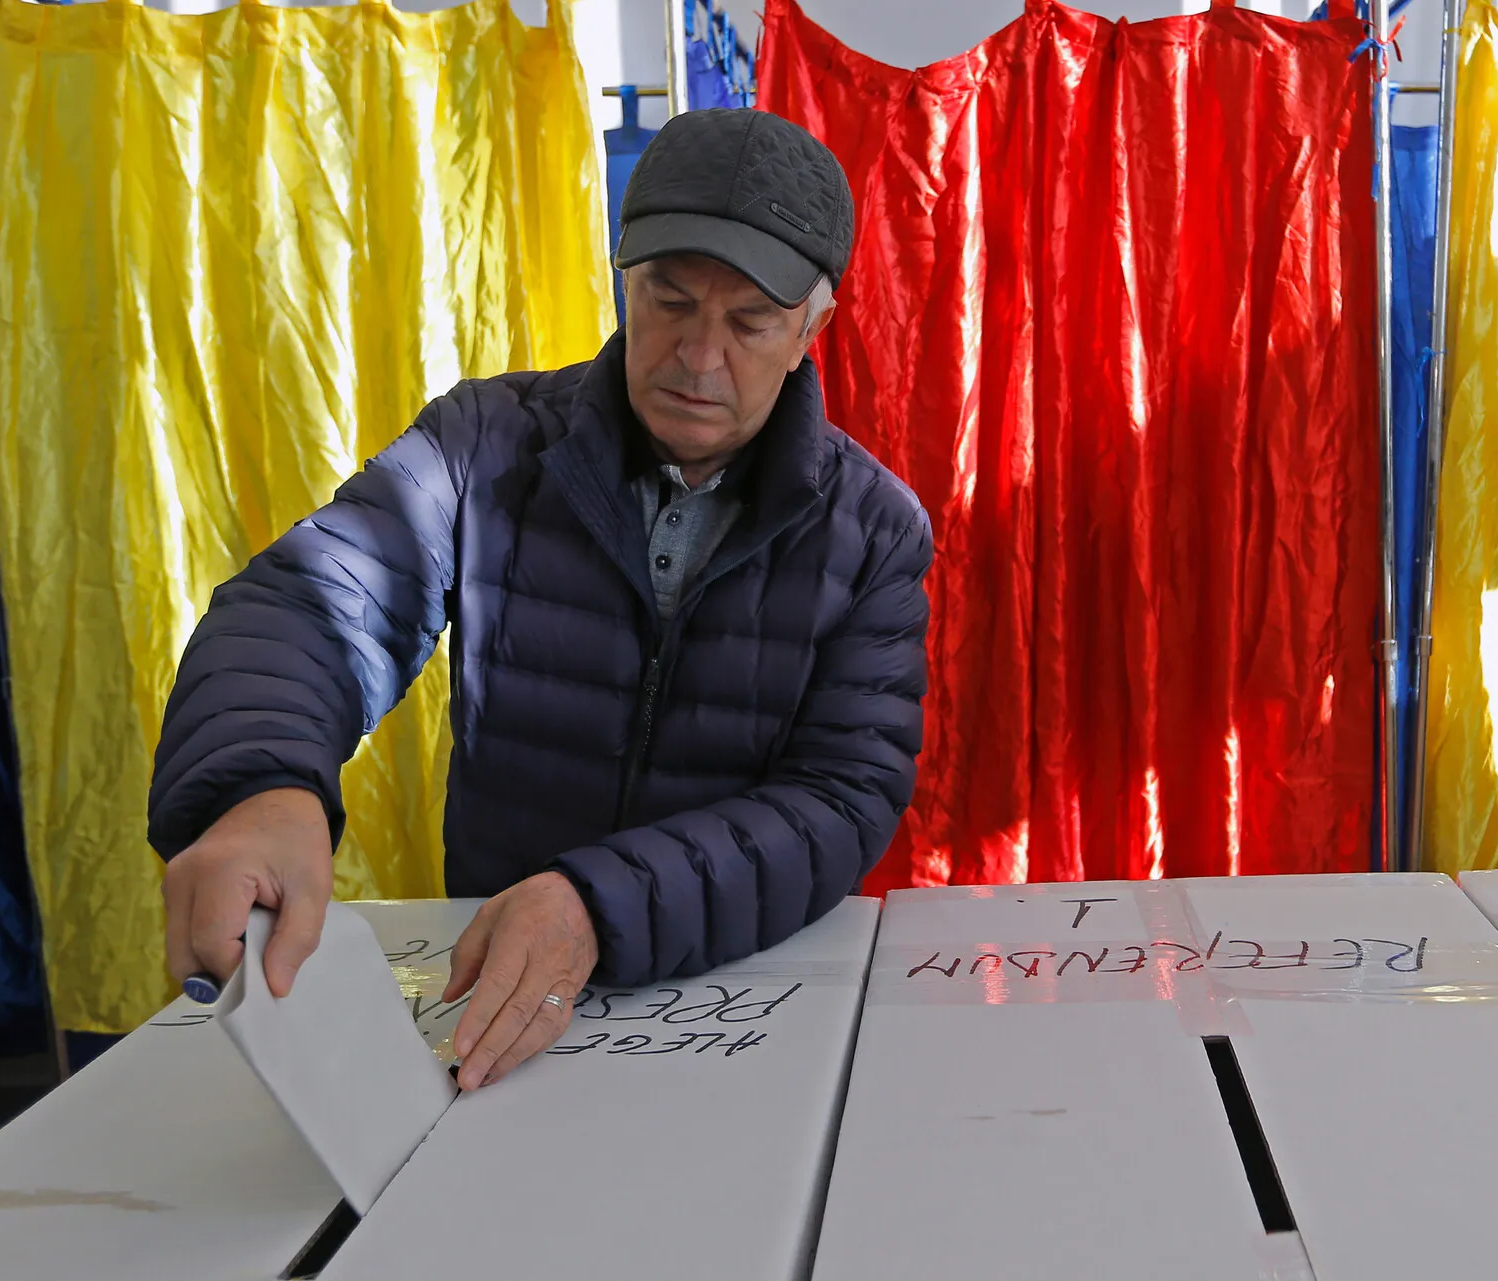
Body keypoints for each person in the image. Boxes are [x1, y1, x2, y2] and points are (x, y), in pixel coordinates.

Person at [148, 108, 931, 1092]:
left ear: (813, 328)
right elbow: (309, 605)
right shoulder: (485, 446)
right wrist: (258, 791)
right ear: (622, 280)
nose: (696, 356)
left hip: (741, 993)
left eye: (747, 323)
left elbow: (842, 798)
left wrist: (597, 906)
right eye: (669, 301)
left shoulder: (871, 531)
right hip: (487, 994)